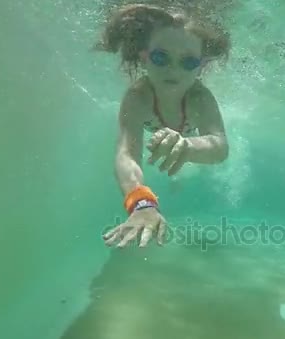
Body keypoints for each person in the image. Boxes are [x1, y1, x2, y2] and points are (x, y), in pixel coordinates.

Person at [98, 4, 231, 248]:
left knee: (182, 168)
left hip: (188, 139)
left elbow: (220, 147)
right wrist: (141, 202)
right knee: (171, 163)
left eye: (188, 62)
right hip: (166, 138)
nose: (173, 69)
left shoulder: (200, 99)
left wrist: (188, 146)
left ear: (201, 65)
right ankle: (174, 175)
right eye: (161, 58)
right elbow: (127, 153)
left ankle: (178, 176)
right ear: (144, 56)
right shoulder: (138, 98)